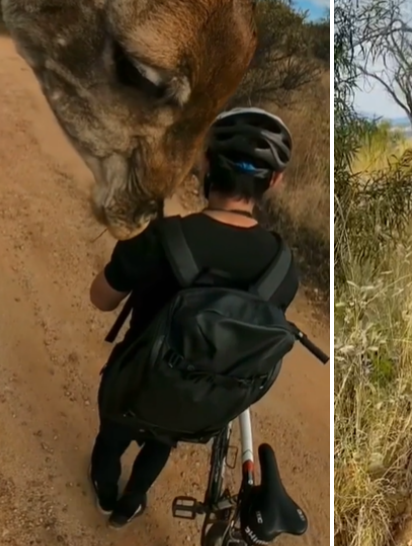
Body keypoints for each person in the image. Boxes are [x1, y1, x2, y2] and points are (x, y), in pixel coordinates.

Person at [85, 107, 301, 529]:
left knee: (112, 437)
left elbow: (101, 299)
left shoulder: (160, 238)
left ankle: (106, 492)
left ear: (204, 162)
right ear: (274, 181)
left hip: (133, 386)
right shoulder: (283, 269)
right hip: (198, 405)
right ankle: (132, 501)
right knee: (162, 440)